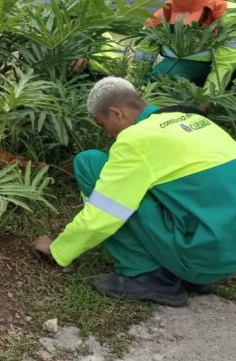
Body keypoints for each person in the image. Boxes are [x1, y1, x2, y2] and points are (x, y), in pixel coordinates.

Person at [33, 77, 236, 307]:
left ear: (116, 113)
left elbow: (105, 211)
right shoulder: (195, 121)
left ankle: (147, 275)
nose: (108, 135)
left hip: (199, 259)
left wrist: (58, 250)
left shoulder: (136, 140)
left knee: (89, 163)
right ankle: (183, 270)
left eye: (102, 125)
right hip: (225, 259)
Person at [132, 0, 236, 92]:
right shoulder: (158, 17)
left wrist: (207, 97)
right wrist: (132, 85)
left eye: (190, 16)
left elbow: (225, 63)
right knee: (161, 76)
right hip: (183, 65)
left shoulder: (229, 15)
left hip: (220, 64)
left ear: (206, 7)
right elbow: (144, 54)